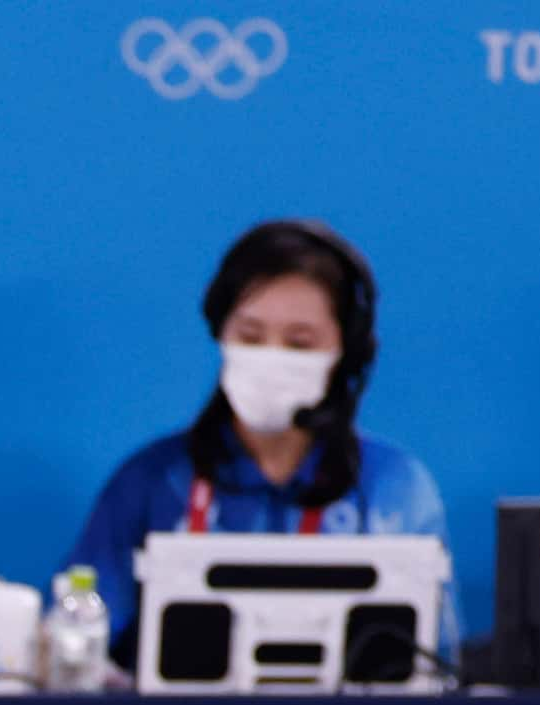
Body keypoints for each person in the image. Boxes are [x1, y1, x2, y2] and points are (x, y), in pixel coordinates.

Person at [63, 219, 454, 669]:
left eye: (299, 342)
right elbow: (79, 640)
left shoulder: (394, 487)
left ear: (345, 350)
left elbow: (438, 664)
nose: (271, 356)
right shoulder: (153, 480)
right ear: (221, 334)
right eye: (250, 337)